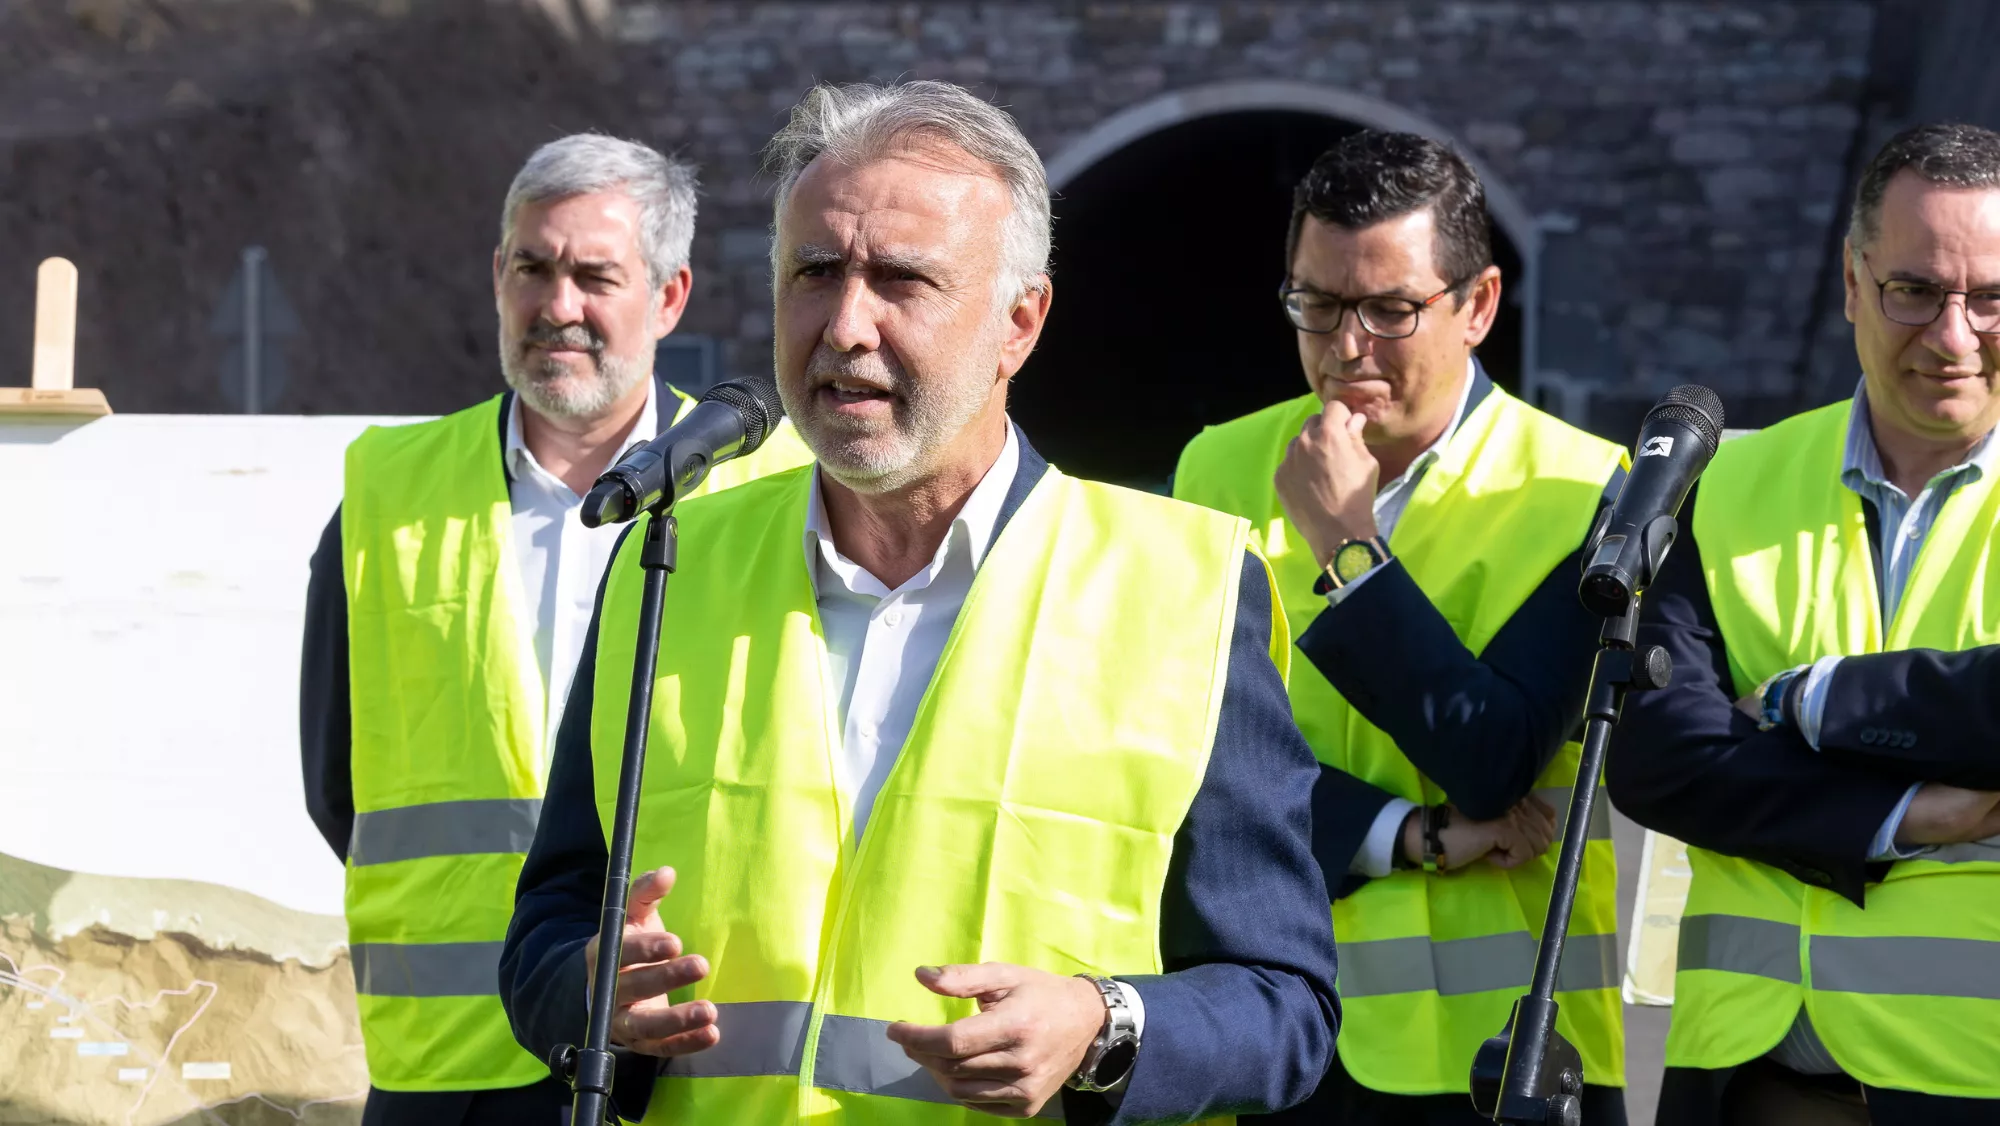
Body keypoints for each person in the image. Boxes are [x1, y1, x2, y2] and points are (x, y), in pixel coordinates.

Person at [499, 80, 1342, 1124]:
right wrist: (591, 993)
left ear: (1018, 323)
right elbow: (548, 927)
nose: (846, 325)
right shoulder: (669, 561)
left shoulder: (1184, 587)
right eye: (814, 272)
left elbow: (1282, 1004)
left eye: (902, 279)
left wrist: (1103, 1026)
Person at [299, 134, 813, 1126]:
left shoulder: (776, 495)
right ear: (498, 276)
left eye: (595, 276)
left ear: (668, 297)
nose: (557, 306)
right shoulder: (388, 499)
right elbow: (338, 785)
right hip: (448, 1071)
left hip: (686, 1052)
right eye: (532, 268)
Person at [1173, 131, 1629, 1124]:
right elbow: (1185, 747)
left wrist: (1348, 551)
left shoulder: (1588, 489)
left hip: (1500, 1053)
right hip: (1263, 1023)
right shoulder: (1214, 467)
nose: (1347, 348)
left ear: (1479, 305)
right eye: (1317, 304)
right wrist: (1406, 833)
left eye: (1389, 311)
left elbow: (1494, 756)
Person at [1608, 121, 2000, 1125]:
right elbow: (1659, 759)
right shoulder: (1729, 479)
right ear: (1851, 282)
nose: (1953, 336)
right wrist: (1913, 813)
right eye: (1913, 290)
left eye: (1990, 297)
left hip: (1974, 1072)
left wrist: (1808, 701)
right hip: (1745, 1067)